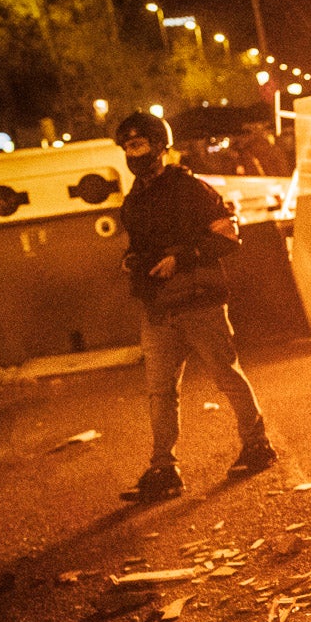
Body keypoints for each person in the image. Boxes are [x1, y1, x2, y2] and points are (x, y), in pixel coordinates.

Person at [115, 110, 275, 502]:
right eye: (126, 146)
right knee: (160, 393)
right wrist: (133, 261)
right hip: (158, 310)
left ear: (158, 147)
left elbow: (228, 235)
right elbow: (139, 248)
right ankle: (163, 469)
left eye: (137, 144)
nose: (132, 153)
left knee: (226, 375)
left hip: (199, 303)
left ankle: (258, 445)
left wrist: (182, 259)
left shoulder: (190, 189)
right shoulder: (132, 202)